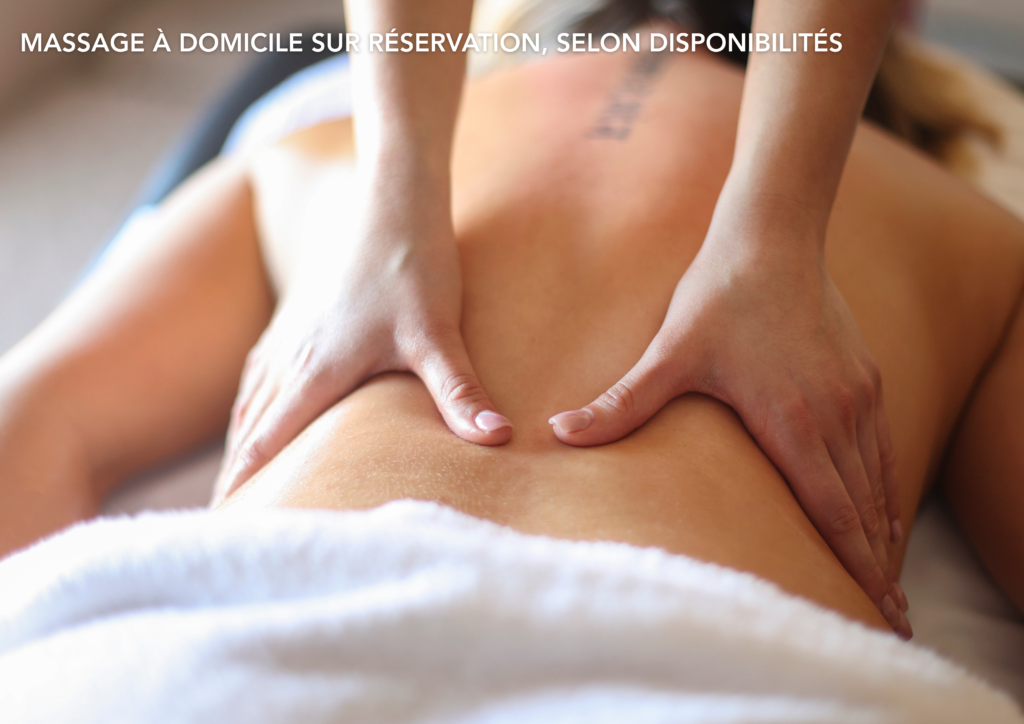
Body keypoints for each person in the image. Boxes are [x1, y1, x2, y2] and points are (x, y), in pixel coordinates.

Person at [4, 10, 1024, 644]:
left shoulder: (302, 157)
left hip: (245, 636)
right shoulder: (973, 237)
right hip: (717, 662)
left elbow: (34, 423)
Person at [212, 0, 910, 628]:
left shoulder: (306, 155)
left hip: (279, 606)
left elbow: (125, 392)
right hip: (717, 645)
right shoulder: (940, 214)